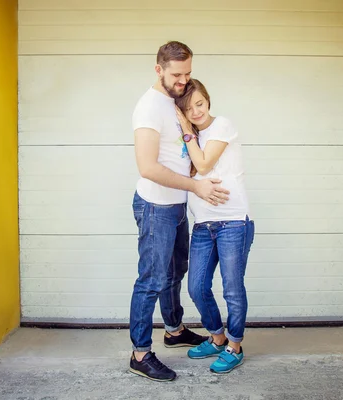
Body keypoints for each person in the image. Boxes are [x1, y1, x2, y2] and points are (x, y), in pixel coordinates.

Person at [129, 41, 230, 382]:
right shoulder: (148, 108)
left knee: (175, 272)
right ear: (158, 69)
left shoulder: (175, 101)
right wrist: (197, 187)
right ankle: (140, 353)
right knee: (152, 279)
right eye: (176, 74)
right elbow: (147, 167)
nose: (184, 80)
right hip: (155, 206)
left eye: (188, 73)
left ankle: (173, 329)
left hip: (175, 206)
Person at [174, 79, 255, 374]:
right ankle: (217, 337)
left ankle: (235, 345)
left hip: (233, 221)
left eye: (199, 103)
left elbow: (205, 165)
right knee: (196, 286)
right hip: (203, 225)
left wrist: (185, 128)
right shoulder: (189, 138)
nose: (196, 111)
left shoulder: (222, 125)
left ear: (208, 100)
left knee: (232, 288)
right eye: (188, 107)